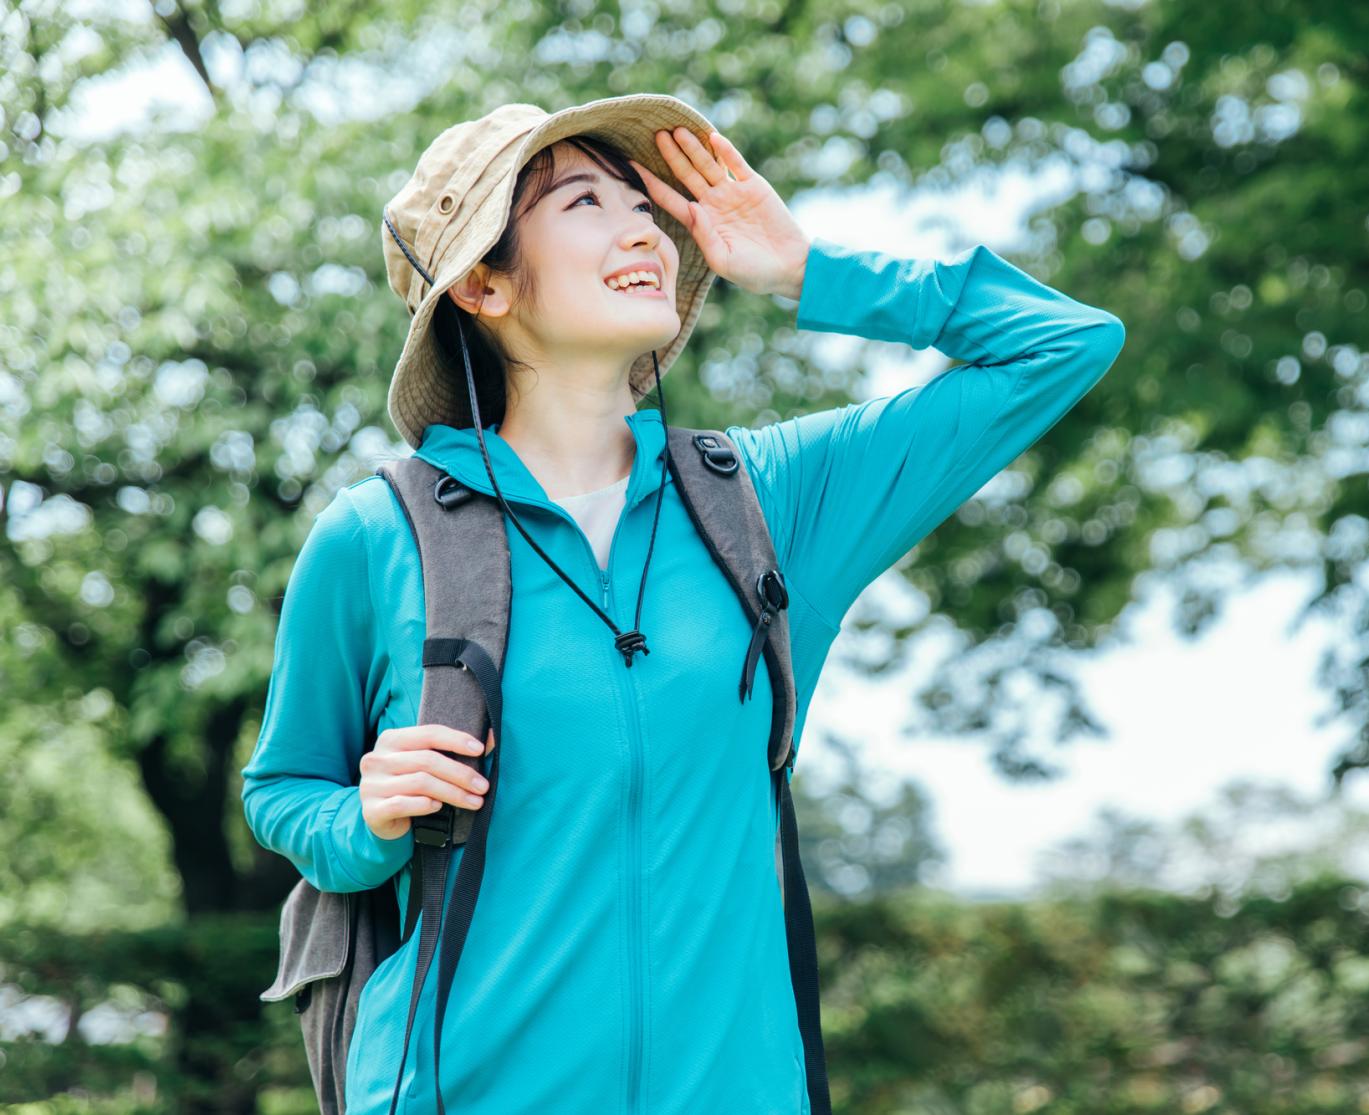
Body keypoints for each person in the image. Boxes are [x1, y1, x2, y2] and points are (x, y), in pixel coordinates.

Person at [240, 95, 1126, 1115]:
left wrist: (806, 270)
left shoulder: (768, 502)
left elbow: (1064, 344)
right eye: (582, 201)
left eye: (641, 204)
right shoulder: (375, 536)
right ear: (482, 282)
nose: (642, 228)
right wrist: (367, 814)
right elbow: (283, 789)